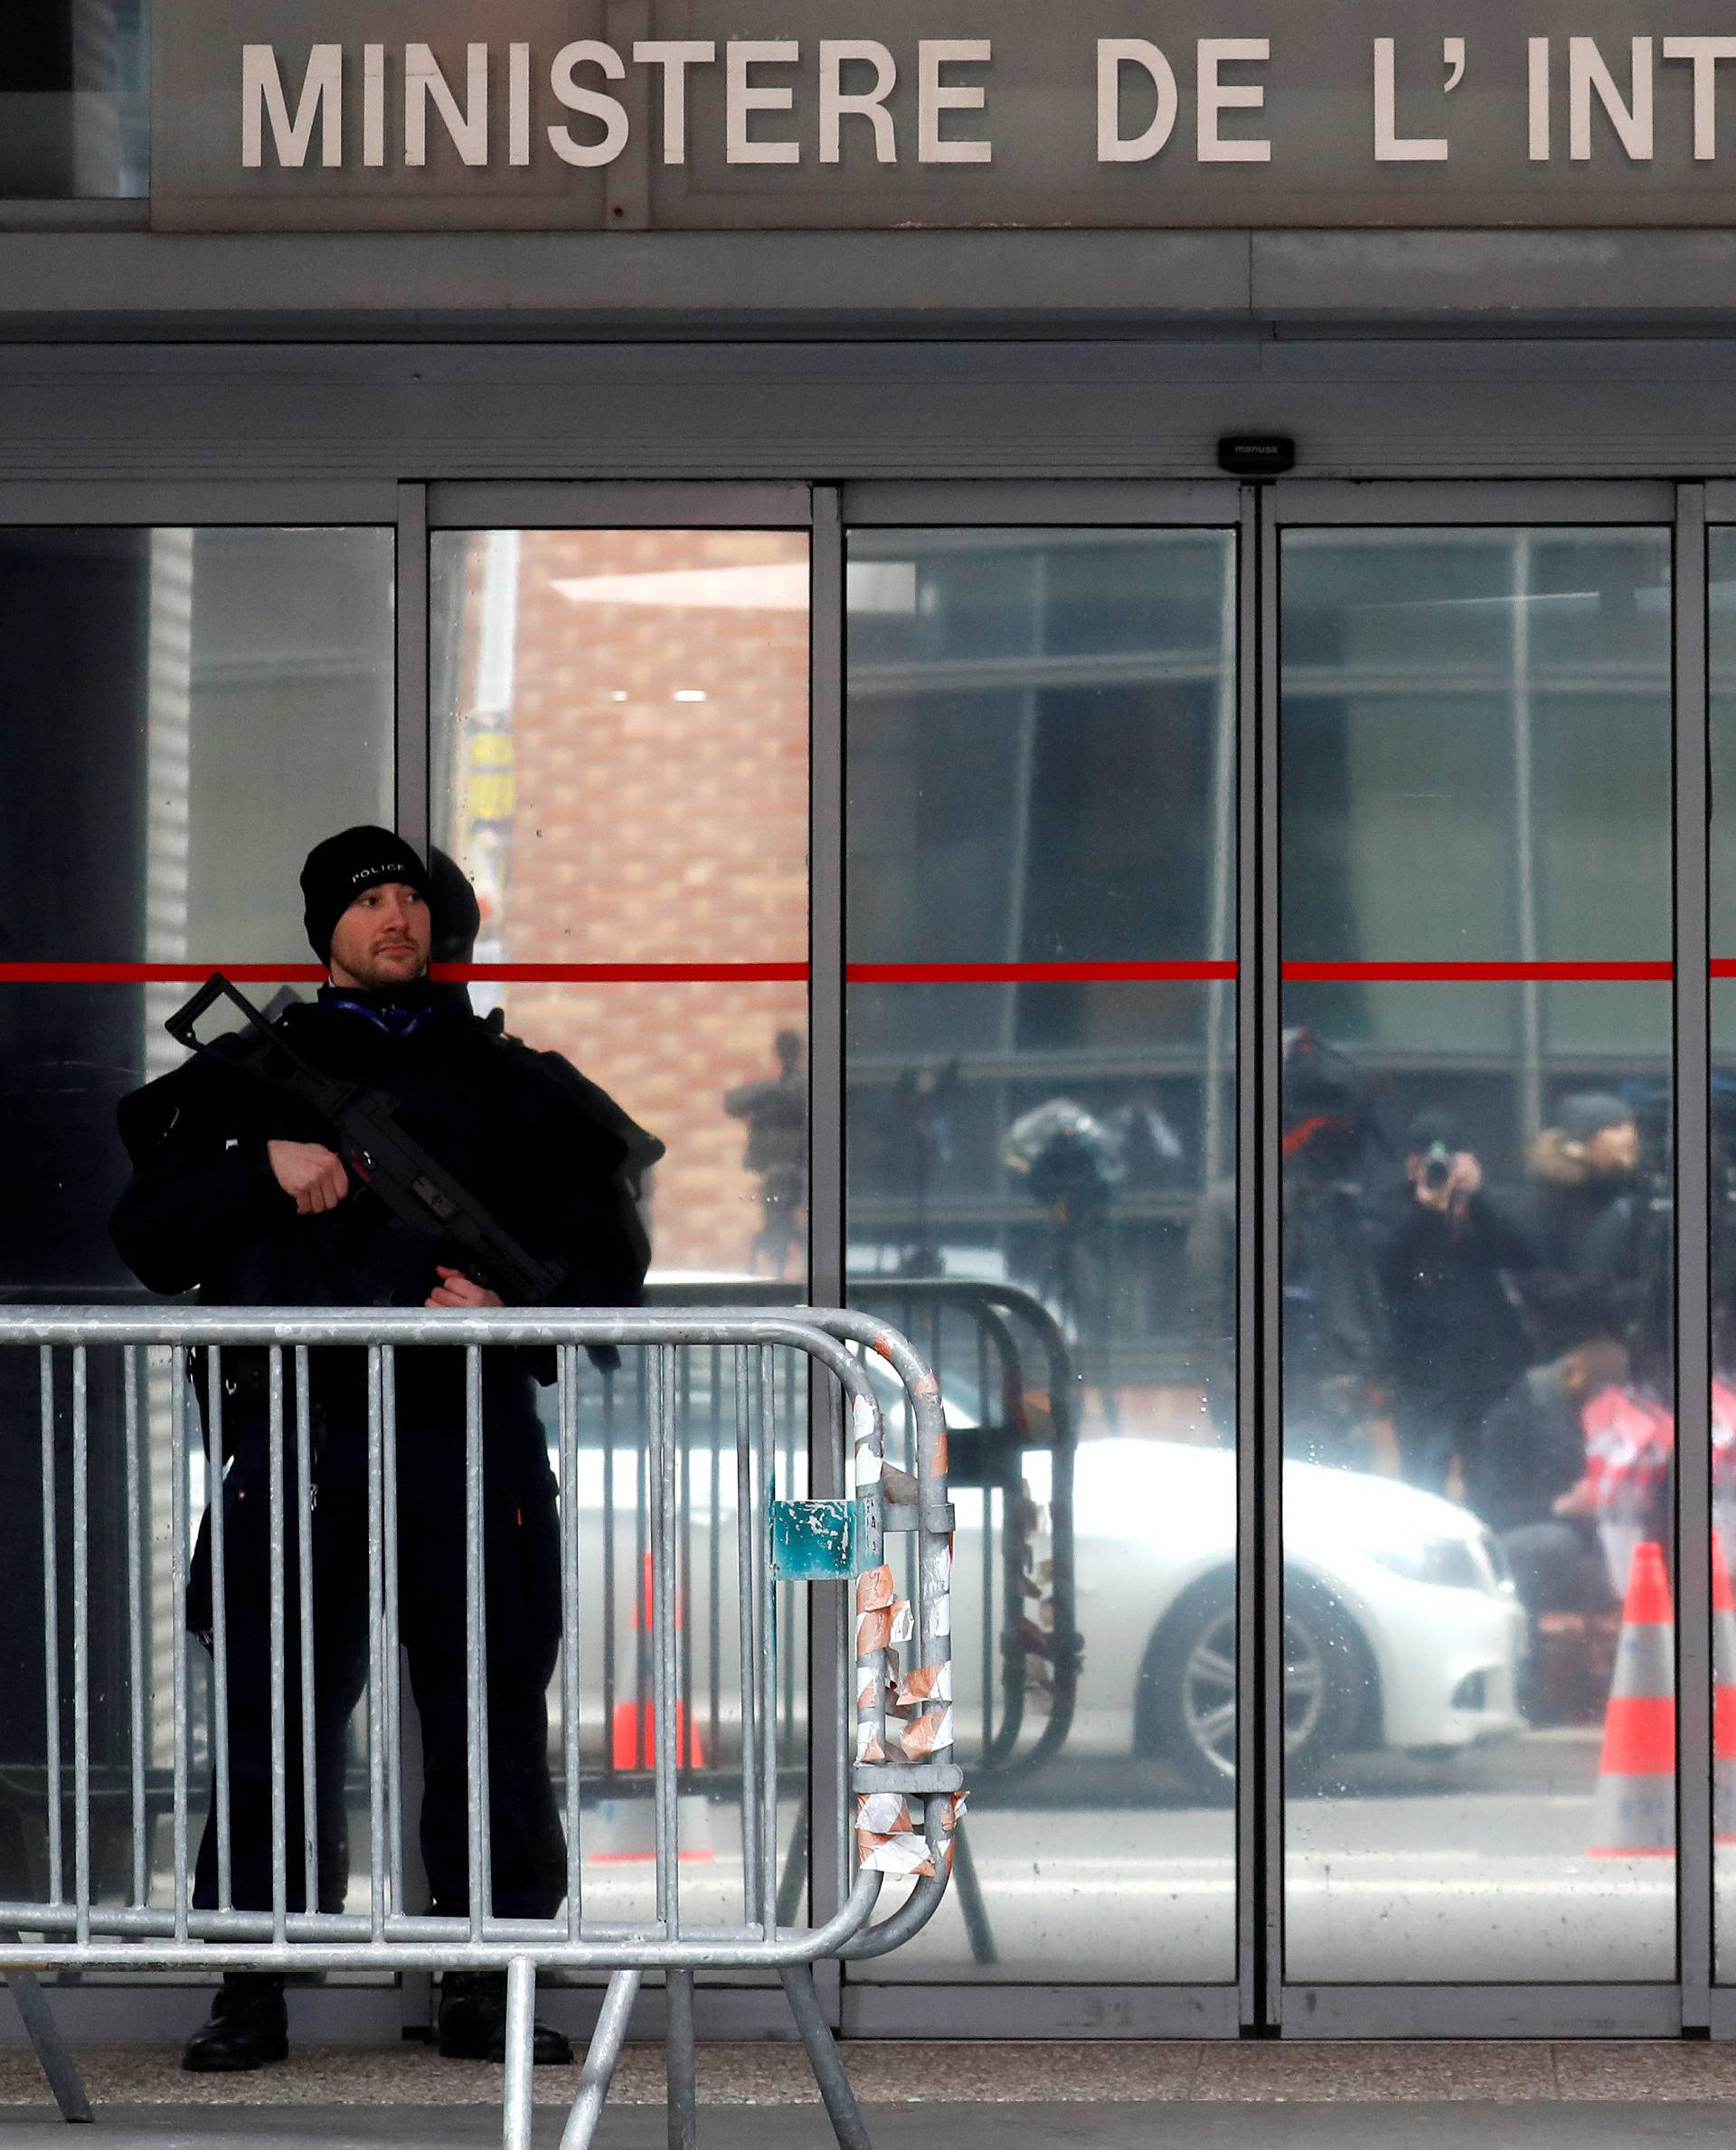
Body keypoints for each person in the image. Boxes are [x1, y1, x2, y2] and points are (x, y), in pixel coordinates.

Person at [109, 827, 662, 2073]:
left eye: (412, 896)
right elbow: (150, 1233)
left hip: (469, 1436)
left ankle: (491, 1974)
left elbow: (608, 1258)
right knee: (276, 1715)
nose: (395, 917)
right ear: (326, 931)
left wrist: (524, 1312)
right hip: (301, 1434)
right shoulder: (256, 1077)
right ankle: (251, 1984)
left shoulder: (508, 1079)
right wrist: (263, 1162)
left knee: (488, 1716)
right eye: (369, 901)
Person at [1373, 1111, 1532, 1495]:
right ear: (1411, 1165)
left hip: (1487, 1369)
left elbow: (1524, 1253)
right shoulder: (1389, 1207)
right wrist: (1425, 1211)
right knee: (1424, 1479)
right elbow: (1385, 1267)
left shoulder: (1484, 1208)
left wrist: (1479, 1200)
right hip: (1422, 1371)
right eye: (1427, 1164)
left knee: (1490, 1481)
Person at [722, 1029, 807, 1278]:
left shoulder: (797, 1087)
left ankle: (781, 1262)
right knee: (777, 1221)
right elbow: (733, 1103)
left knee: (784, 1220)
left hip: (791, 1169)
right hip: (777, 1170)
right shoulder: (773, 1089)